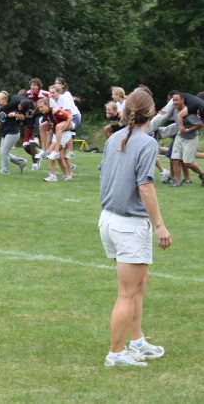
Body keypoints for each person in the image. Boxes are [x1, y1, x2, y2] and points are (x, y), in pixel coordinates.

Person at [99, 88, 171, 367]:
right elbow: (145, 185)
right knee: (127, 293)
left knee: (140, 284)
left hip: (109, 220)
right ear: (151, 114)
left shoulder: (115, 137)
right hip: (128, 224)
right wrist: (160, 225)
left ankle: (137, 342)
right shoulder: (147, 142)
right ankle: (116, 354)